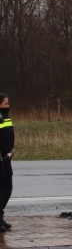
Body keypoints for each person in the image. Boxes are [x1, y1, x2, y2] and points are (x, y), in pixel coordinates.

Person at [0, 93, 15, 232]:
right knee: (3, 189)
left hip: (7, 157)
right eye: (5, 104)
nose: (8, 106)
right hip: (1, 159)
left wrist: (11, 150)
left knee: (8, 189)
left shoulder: (5, 117)